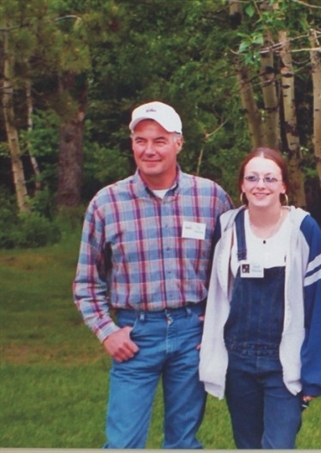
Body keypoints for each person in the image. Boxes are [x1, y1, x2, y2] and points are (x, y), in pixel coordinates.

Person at [73, 101, 233, 448]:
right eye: (140, 140)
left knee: (182, 442)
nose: (149, 150)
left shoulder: (211, 198)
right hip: (136, 335)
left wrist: (218, 325)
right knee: (123, 443)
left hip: (192, 334)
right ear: (132, 144)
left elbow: (231, 272)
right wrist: (107, 332)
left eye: (159, 140)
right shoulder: (107, 203)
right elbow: (86, 282)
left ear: (178, 143)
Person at [199, 147, 321, 449]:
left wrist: (315, 372)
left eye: (270, 178)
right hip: (238, 360)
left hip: (283, 360)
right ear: (242, 184)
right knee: (247, 444)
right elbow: (216, 291)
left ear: (283, 186)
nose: (260, 185)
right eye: (252, 178)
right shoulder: (227, 227)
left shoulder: (303, 228)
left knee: (279, 444)